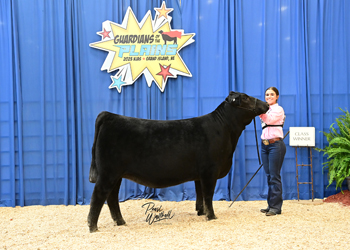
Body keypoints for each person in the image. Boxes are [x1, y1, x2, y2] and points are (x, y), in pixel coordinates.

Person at [259, 87, 286, 216]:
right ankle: (271, 205)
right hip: (264, 145)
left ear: (277, 96)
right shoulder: (266, 109)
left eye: (271, 94)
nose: (269, 96)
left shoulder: (278, 110)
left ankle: (276, 208)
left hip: (276, 145)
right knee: (269, 175)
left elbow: (269, 120)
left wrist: (259, 112)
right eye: (267, 94)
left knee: (274, 176)